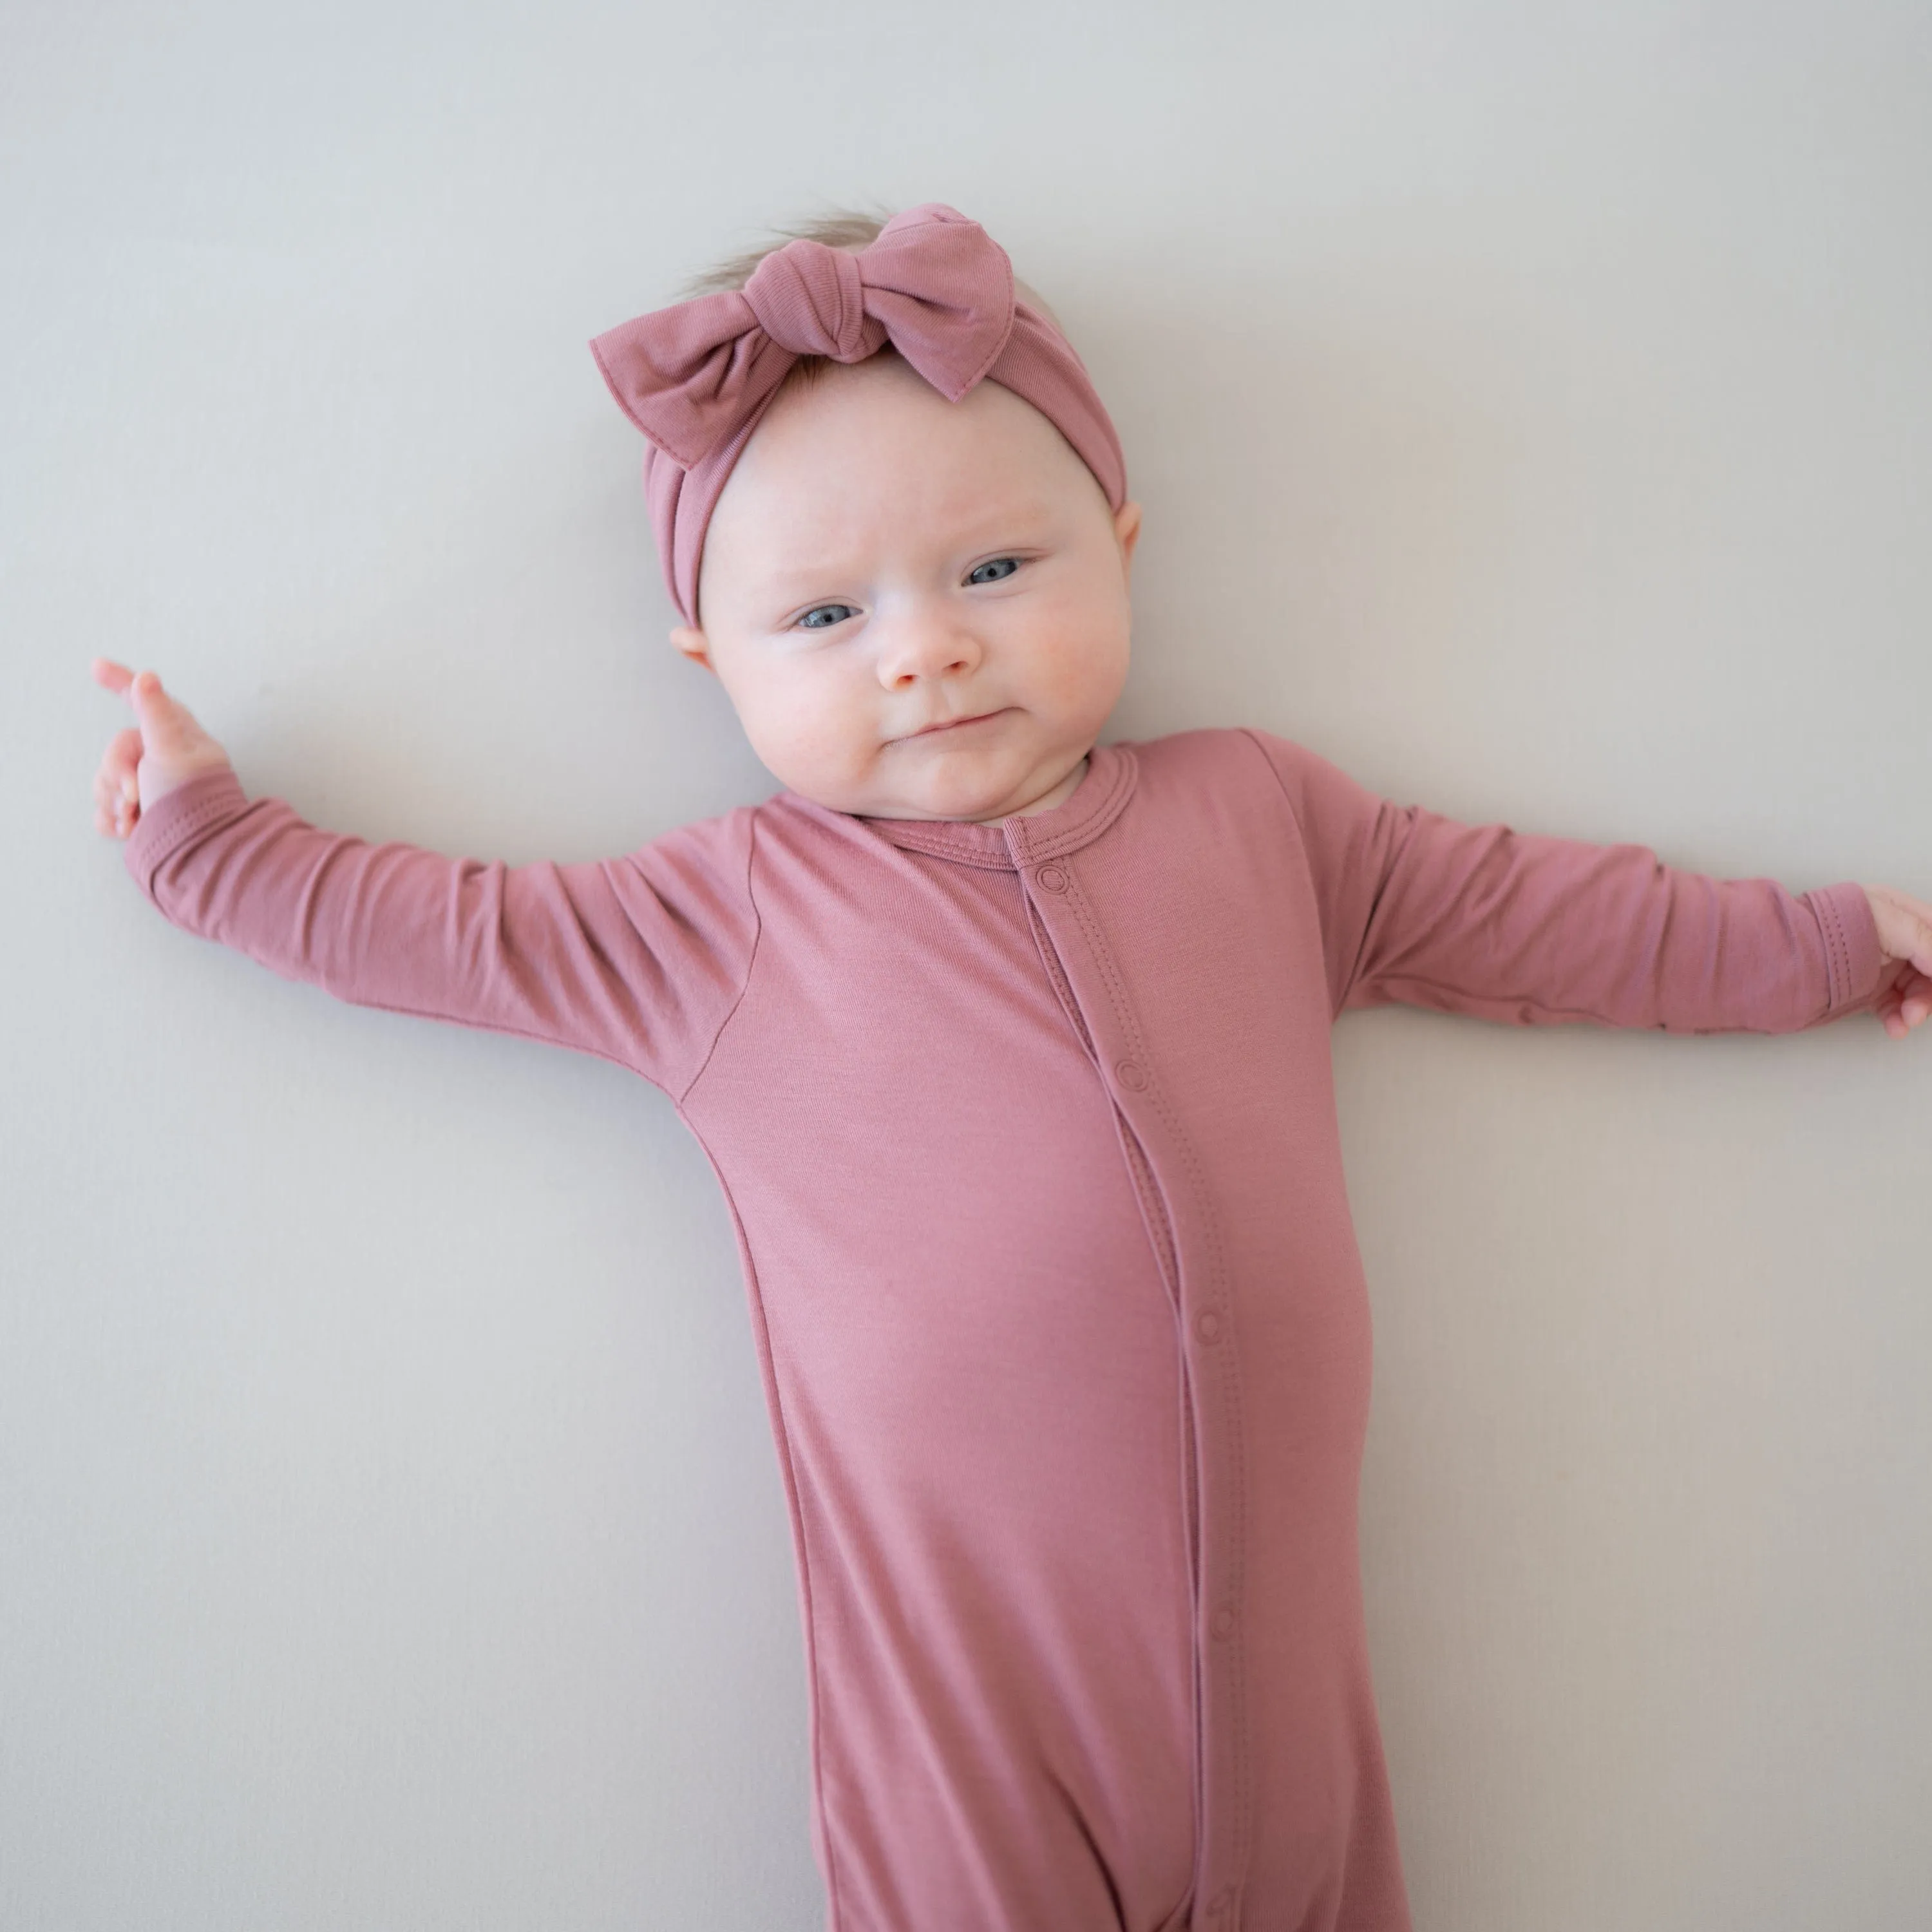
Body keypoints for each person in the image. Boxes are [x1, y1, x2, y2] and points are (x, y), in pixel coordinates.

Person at [88, 202, 1932, 1932]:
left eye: (993, 566)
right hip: (973, 1757)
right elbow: (440, 928)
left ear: (1118, 548)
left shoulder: (1268, 822)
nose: (929, 650)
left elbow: (1557, 922)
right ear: (707, 656)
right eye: (827, 618)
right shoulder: (721, 922)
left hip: (1293, 1743)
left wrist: (1840, 945)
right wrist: (209, 839)